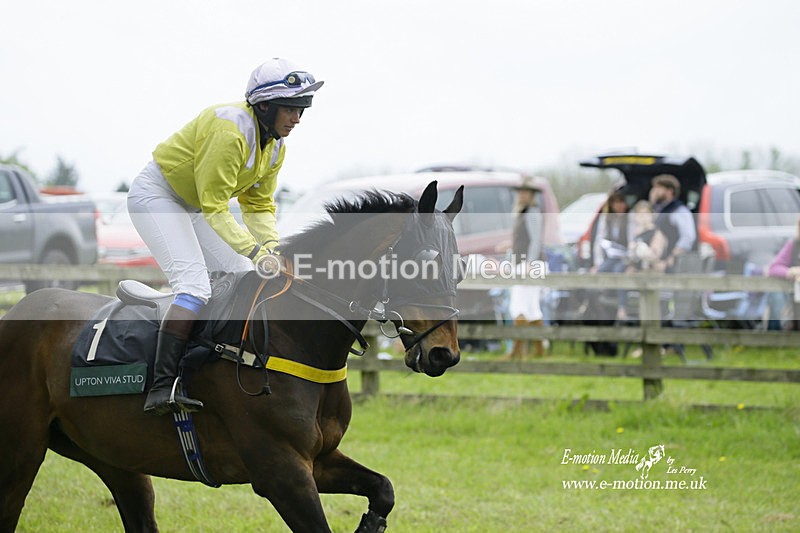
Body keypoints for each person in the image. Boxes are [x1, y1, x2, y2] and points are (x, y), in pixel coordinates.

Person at [127, 58, 324, 415]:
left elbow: (259, 204)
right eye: (291, 108)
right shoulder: (229, 130)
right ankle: (162, 385)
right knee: (195, 286)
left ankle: (215, 364)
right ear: (264, 105)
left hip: (195, 204)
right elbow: (216, 205)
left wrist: (271, 248)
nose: (297, 118)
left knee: (242, 276)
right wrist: (252, 249)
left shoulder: (275, 146)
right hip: (158, 196)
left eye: (302, 109)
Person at [505, 176, 546, 359]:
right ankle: (537, 351)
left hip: (528, 264)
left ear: (532, 195)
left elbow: (536, 240)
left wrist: (530, 262)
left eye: (526, 192)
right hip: (523, 262)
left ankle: (517, 351)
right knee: (531, 307)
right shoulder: (524, 212)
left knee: (519, 306)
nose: (522, 195)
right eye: (521, 191)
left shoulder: (532, 212)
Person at [648, 174, 696, 272]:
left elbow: (688, 237)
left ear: (669, 191)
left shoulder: (679, 211)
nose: (654, 191)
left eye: (658, 188)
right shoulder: (659, 210)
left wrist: (672, 258)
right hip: (658, 262)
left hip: (675, 263)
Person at [767, 215, 800, 331]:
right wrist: (790, 271)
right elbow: (773, 268)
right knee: (776, 294)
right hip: (794, 296)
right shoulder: (794, 245)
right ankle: (775, 336)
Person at [626, 200, 668, 273]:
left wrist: (641, 249)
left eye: (646, 213)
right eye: (639, 214)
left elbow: (655, 256)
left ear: (652, 215)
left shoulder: (657, 233)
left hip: (653, 273)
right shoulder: (637, 233)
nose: (643, 217)